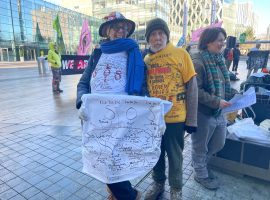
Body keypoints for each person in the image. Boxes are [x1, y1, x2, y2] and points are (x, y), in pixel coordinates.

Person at [76, 11, 145, 200]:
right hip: (97, 119)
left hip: (123, 117)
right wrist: (82, 102)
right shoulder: (97, 54)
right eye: (116, 27)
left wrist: (148, 112)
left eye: (124, 28)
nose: (121, 31)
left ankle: (129, 195)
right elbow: (83, 84)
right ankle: (120, 193)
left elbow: (142, 86)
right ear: (107, 30)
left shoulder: (134, 53)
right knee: (103, 156)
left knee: (114, 158)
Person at [143, 18, 198, 200]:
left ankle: (176, 189)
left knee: (175, 157)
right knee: (155, 154)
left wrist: (191, 120)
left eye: (161, 33)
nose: (157, 38)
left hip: (175, 118)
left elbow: (192, 88)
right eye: (153, 34)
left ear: (166, 35)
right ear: (148, 38)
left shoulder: (181, 54)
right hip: (153, 120)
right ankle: (158, 184)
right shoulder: (147, 59)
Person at [190, 27, 236, 190]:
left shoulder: (218, 59)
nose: (222, 44)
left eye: (223, 40)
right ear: (208, 41)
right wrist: (217, 101)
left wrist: (234, 95)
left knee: (218, 143)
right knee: (200, 146)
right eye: (219, 40)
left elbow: (223, 84)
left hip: (219, 112)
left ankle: (200, 164)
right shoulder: (198, 61)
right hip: (203, 112)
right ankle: (200, 174)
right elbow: (196, 91)